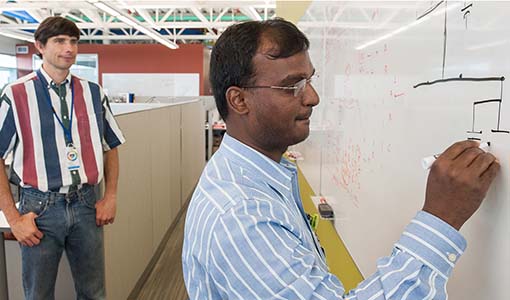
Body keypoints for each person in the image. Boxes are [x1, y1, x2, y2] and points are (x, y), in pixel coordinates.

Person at [182, 18, 499, 299]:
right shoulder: (242, 217)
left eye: (310, 79)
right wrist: (440, 219)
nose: (313, 97)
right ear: (239, 100)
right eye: (292, 85)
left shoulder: (257, 176)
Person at [0, 17, 125, 299]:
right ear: (39, 47)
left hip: (85, 203)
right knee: (39, 294)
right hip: (39, 208)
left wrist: (111, 196)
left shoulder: (93, 93)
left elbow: (111, 146)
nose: (69, 48)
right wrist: (14, 218)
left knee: (94, 292)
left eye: (73, 41)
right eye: (59, 41)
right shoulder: (16, 94)